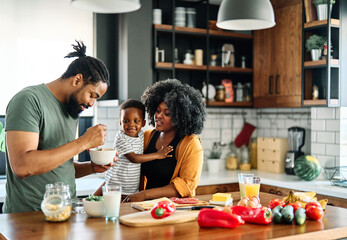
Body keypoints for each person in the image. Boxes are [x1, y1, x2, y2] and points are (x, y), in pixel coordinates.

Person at [3, 40, 113, 213]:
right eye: (92, 95)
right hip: (28, 217)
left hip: (65, 214)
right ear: (78, 80)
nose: (92, 103)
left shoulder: (71, 109)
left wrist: (91, 167)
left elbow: (60, 167)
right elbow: (23, 166)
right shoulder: (28, 100)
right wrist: (83, 142)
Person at [127, 79, 206, 202]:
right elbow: (125, 165)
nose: (158, 116)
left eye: (167, 113)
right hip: (144, 206)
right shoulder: (147, 137)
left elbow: (186, 186)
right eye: (157, 111)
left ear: (181, 117)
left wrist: (144, 195)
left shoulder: (191, 144)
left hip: (174, 209)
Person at [94, 99, 173, 195]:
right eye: (126, 121)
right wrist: (157, 155)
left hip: (130, 190)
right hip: (115, 188)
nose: (131, 124)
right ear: (120, 122)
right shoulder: (121, 138)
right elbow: (134, 158)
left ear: (143, 123)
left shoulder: (141, 135)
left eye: (136, 121)